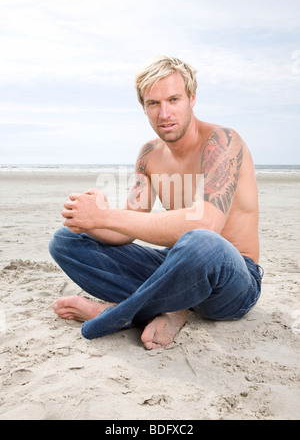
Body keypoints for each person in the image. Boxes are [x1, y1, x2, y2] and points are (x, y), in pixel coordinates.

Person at [49, 55, 263, 350]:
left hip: (230, 279)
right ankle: (172, 307)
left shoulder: (223, 141)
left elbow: (207, 223)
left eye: (173, 99)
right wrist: (93, 218)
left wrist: (105, 216)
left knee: (201, 242)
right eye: (154, 104)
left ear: (192, 98)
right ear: (144, 108)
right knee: (65, 241)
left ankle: (116, 312)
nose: (164, 113)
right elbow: (125, 230)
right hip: (176, 266)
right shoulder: (149, 153)